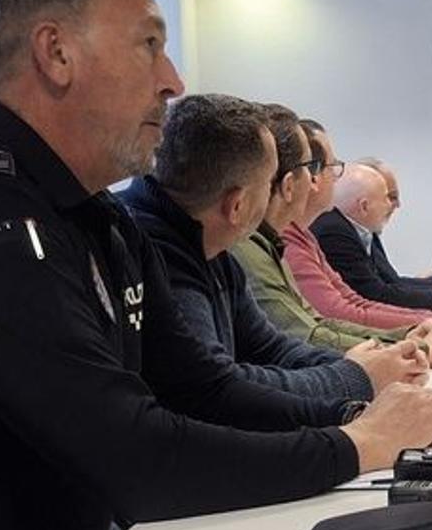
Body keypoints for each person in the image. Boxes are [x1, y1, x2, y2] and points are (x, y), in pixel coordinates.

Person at [0, 0, 432, 530]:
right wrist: (356, 444)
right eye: (148, 44)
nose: (172, 79)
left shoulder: (98, 216)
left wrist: (356, 419)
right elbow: (140, 460)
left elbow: (204, 389)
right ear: (55, 54)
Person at [122, 93, 408, 399]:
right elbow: (217, 390)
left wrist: (361, 370)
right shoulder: (166, 250)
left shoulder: (210, 243)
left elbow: (267, 346)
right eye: (269, 179)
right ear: (238, 205)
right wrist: (357, 382)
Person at [231, 106, 432, 369]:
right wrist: (416, 345)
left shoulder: (280, 241)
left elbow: (320, 321)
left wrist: (406, 337)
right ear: (290, 185)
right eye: (321, 167)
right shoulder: (258, 246)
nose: (320, 179)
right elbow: (311, 333)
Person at [285, 123, 432, 340]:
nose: (336, 177)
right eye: (332, 167)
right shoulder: (318, 233)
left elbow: (355, 301)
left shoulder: (304, 235)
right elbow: (343, 310)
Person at [311, 158, 432, 311]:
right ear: (364, 206)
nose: (395, 205)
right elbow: (375, 295)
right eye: (388, 198)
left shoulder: (361, 229)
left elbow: (392, 283)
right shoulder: (335, 233)